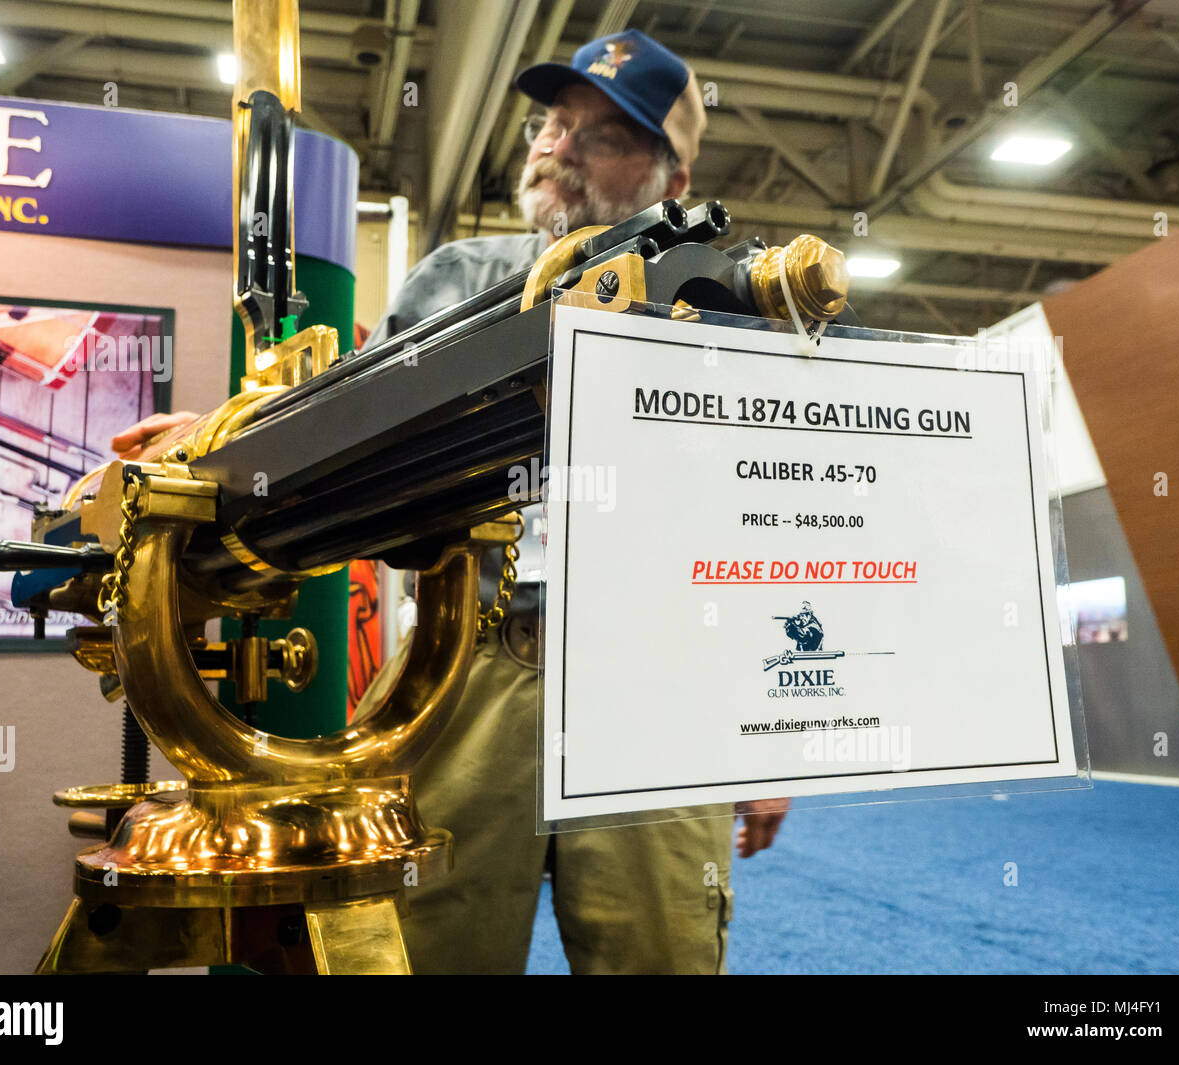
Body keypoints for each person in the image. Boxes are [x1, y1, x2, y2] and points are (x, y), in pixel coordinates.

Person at [111, 29, 789, 974]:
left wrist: (769, 732)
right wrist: (221, 440)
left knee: (663, 953)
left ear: (672, 177)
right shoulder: (459, 280)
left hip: (662, 685)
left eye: (599, 135)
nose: (555, 147)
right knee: (428, 949)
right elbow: (329, 428)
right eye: (551, 124)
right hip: (468, 661)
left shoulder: (719, 312)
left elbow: (763, 522)